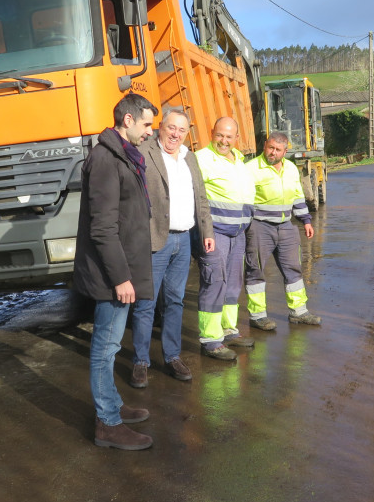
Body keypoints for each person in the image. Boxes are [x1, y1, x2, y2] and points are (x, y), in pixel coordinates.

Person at [73, 92, 158, 450]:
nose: (150, 132)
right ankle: (107, 423)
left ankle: (113, 407)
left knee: (108, 346)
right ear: (127, 120)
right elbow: (103, 229)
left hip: (121, 269)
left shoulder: (122, 155)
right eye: (147, 124)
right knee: (105, 348)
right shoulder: (106, 160)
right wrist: (121, 278)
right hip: (111, 276)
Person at [129, 109, 215, 388]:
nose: (175, 135)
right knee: (146, 303)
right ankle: (141, 361)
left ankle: (172, 356)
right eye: (171, 128)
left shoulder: (189, 157)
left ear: (186, 133)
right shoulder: (144, 151)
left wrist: (207, 231)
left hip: (183, 239)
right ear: (160, 128)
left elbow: (200, 197)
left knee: (175, 301)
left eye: (181, 130)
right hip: (156, 239)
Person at [244, 132, 322, 330]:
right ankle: (258, 316)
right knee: (256, 270)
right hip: (260, 226)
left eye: (278, 150)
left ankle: (299, 312)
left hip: (286, 226)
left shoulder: (291, 169)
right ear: (265, 146)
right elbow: (243, 200)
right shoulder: (251, 169)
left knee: (293, 268)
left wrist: (306, 221)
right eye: (270, 148)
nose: (272, 152)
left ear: (285, 152)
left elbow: (297, 196)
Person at [194, 117, 257, 359]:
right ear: (212, 133)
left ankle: (229, 330)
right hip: (216, 233)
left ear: (236, 138)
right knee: (213, 282)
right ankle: (211, 339)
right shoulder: (201, 159)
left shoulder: (239, 159)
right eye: (220, 135)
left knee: (232, 283)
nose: (224, 140)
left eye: (229, 136)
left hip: (238, 233)